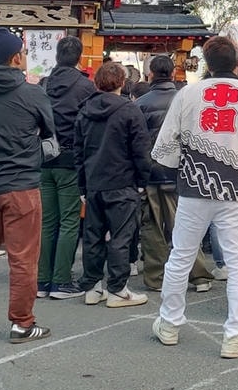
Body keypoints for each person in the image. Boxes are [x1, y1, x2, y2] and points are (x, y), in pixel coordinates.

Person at [150, 36, 238, 359]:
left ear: (207, 63)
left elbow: (166, 147)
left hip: (194, 185)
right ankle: (235, 334)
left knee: (181, 254)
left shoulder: (188, 94)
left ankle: (169, 324)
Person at [0, 28, 57, 344]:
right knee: (22, 258)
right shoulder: (32, 93)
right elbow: (49, 132)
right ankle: (22, 323)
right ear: (17, 57)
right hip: (21, 184)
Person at [135, 56, 215, 295]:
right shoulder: (188, 100)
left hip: (150, 172)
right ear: (173, 73)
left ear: (151, 74)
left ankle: (156, 276)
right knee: (186, 226)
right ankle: (199, 276)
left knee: (151, 227)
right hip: (180, 173)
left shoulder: (139, 103)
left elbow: (138, 143)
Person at [75, 61, 151, 308]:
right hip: (122, 181)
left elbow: (79, 151)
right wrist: (142, 181)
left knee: (92, 235)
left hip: (94, 181)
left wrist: (82, 186)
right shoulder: (130, 110)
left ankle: (93, 286)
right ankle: (117, 288)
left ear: (97, 82)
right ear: (122, 82)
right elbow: (140, 150)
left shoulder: (85, 110)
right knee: (121, 237)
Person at [40, 37, 94, 300]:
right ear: (79, 56)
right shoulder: (85, 86)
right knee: (70, 220)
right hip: (71, 158)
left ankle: (41, 279)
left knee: (47, 221)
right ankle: (60, 280)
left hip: (42, 157)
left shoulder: (43, 84)